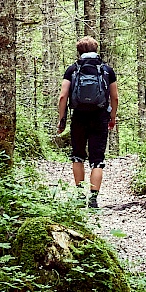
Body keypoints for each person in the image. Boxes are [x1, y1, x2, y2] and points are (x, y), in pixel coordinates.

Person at [57, 36, 118, 209]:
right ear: (96, 50)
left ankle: (78, 196)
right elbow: (115, 97)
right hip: (100, 117)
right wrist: (112, 117)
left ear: (79, 52)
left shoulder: (72, 70)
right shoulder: (107, 70)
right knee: (97, 159)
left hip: (79, 116)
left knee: (77, 155)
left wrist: (62, 120)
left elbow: (63, 96)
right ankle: (93, 198)